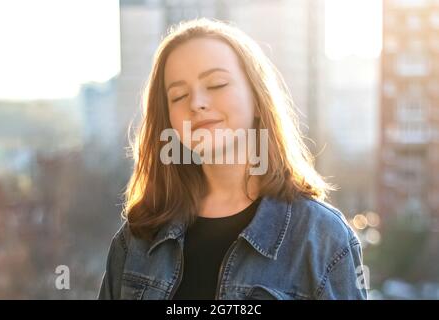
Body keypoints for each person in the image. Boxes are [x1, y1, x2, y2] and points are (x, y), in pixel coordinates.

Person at [98, 18, 367, 300]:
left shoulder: (322, 238)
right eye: (178, 95)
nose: (197, 103)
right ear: (168, 121)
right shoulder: (136, 240)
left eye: (216, 84)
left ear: (257, 100)